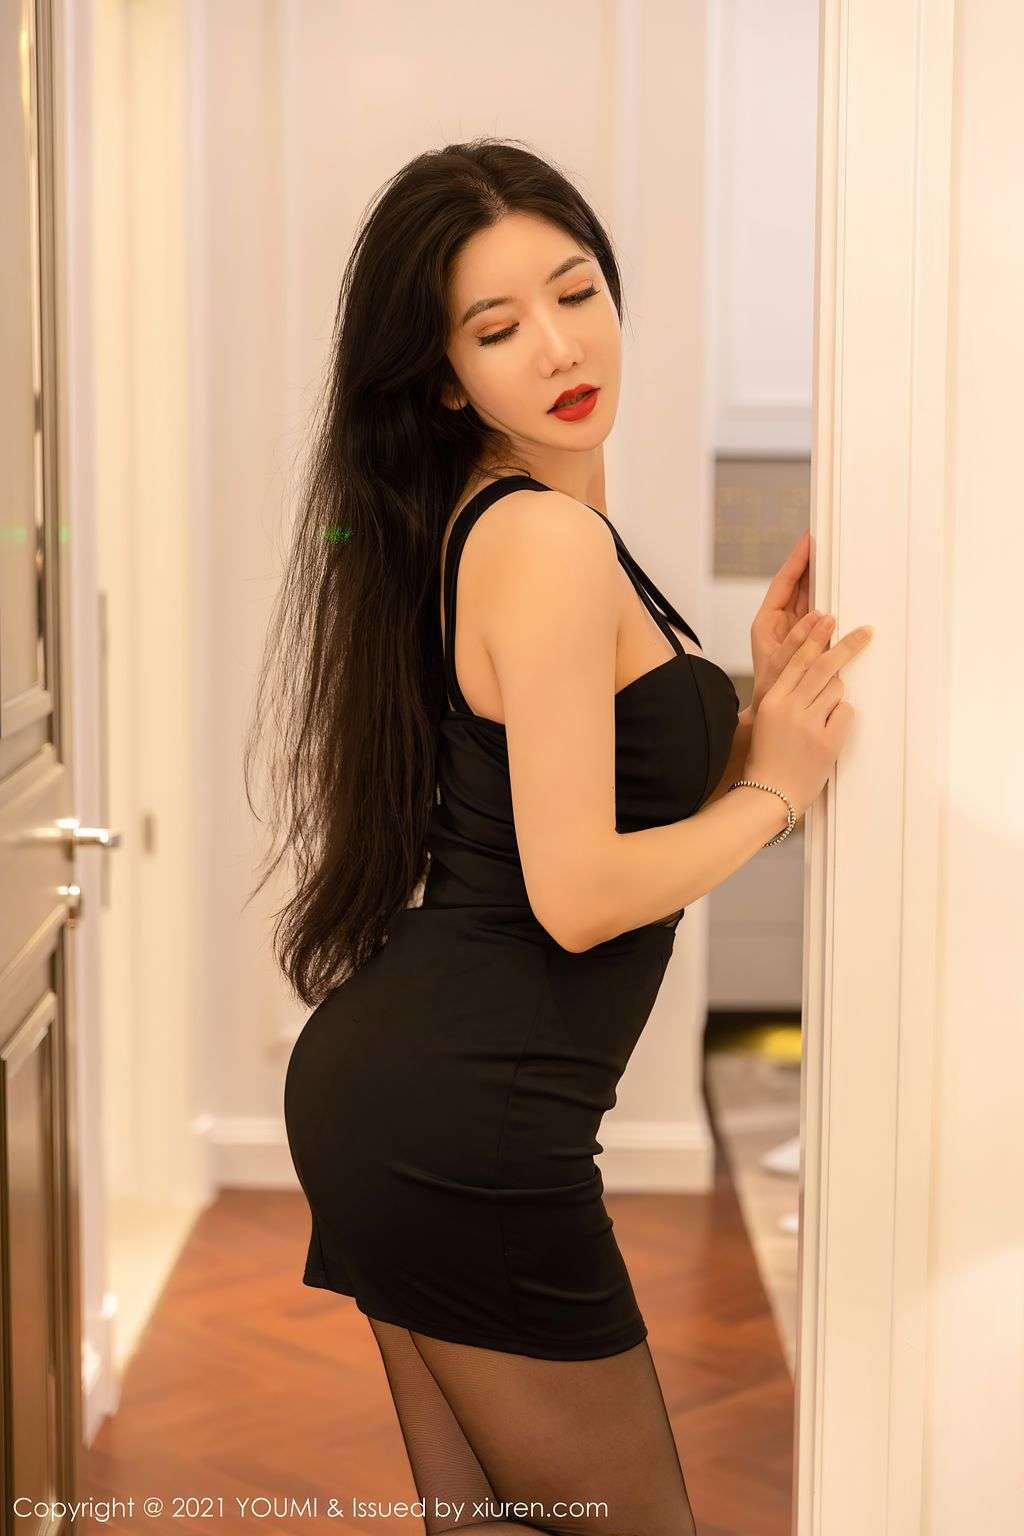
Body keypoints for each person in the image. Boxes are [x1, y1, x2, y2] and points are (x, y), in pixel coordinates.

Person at [246, 137, 872, 1536]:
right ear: (443, 375)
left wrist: (746, 716)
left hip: (418, 1098)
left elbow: (583, 792)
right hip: (463, 1123)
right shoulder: (541, 538)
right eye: (496, 327)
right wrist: (774, 792)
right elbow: (578, 892)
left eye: (577, 291)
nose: (560, 345)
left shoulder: (525, 523)